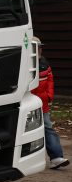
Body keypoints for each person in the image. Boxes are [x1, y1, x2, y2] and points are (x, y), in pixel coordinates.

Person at [32, 37, 68, 170]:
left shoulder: (44, 63)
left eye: (40, 47)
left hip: (43, 104)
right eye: (36, 47)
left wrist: (49, 96)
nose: (39, 50)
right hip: (28, 106)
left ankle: (56, 158)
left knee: (49, 130)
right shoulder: (23, 65)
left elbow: (50, 80)